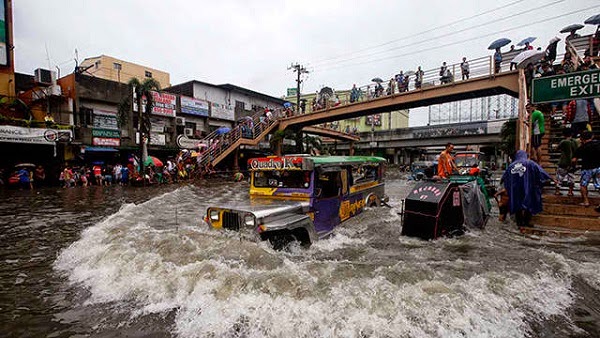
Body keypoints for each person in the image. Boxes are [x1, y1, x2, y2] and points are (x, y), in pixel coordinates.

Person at [501, 150, 551, 227]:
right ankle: (526, 222)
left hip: (515, 191)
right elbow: (541, 172)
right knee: (529, 204)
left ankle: (519, 224)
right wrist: (550, 178)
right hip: (528, 188)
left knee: (517, 206)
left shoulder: (511, 166)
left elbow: (504, 178)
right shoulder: (530, 163)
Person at [572, 131, 600, 208]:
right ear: (592, 137)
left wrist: (574, 166)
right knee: (599, 184)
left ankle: (586, 201)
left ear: (582, 139)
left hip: (587, 168)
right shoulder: (598, 144)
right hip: (598, 167)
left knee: (583, 185)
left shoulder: (581, 148)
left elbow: (574, 160)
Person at [555, 128, 578, 196]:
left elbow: (557, 148)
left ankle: (557, 191)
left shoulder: (563, 142)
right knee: (571, 178)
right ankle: (570, 192)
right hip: (572, 162)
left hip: (563, 162)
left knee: (559, 177)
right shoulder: (574, 141)